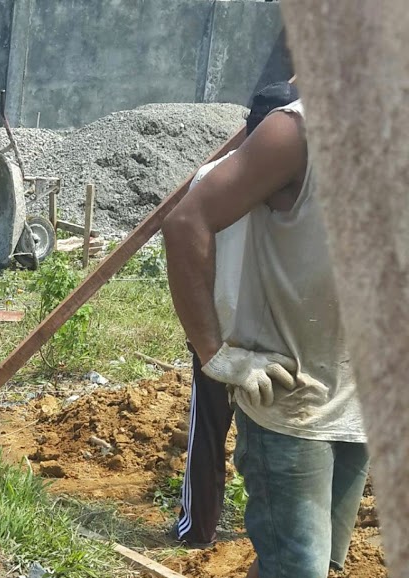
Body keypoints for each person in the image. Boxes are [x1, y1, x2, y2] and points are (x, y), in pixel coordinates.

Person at [163, 88, 368, 578]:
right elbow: (187, 217)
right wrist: (214, 352)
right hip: (288, 394)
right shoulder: (298, 133)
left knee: (288, 563)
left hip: (355, 398)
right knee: (295, 574)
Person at [168, 80, 298, 549]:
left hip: (220, 330)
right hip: (254, 335)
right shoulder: (293, 184)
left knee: (209, 435)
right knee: (262, 440)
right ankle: (253, 540)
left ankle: (198, 530)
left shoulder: (215, 177)